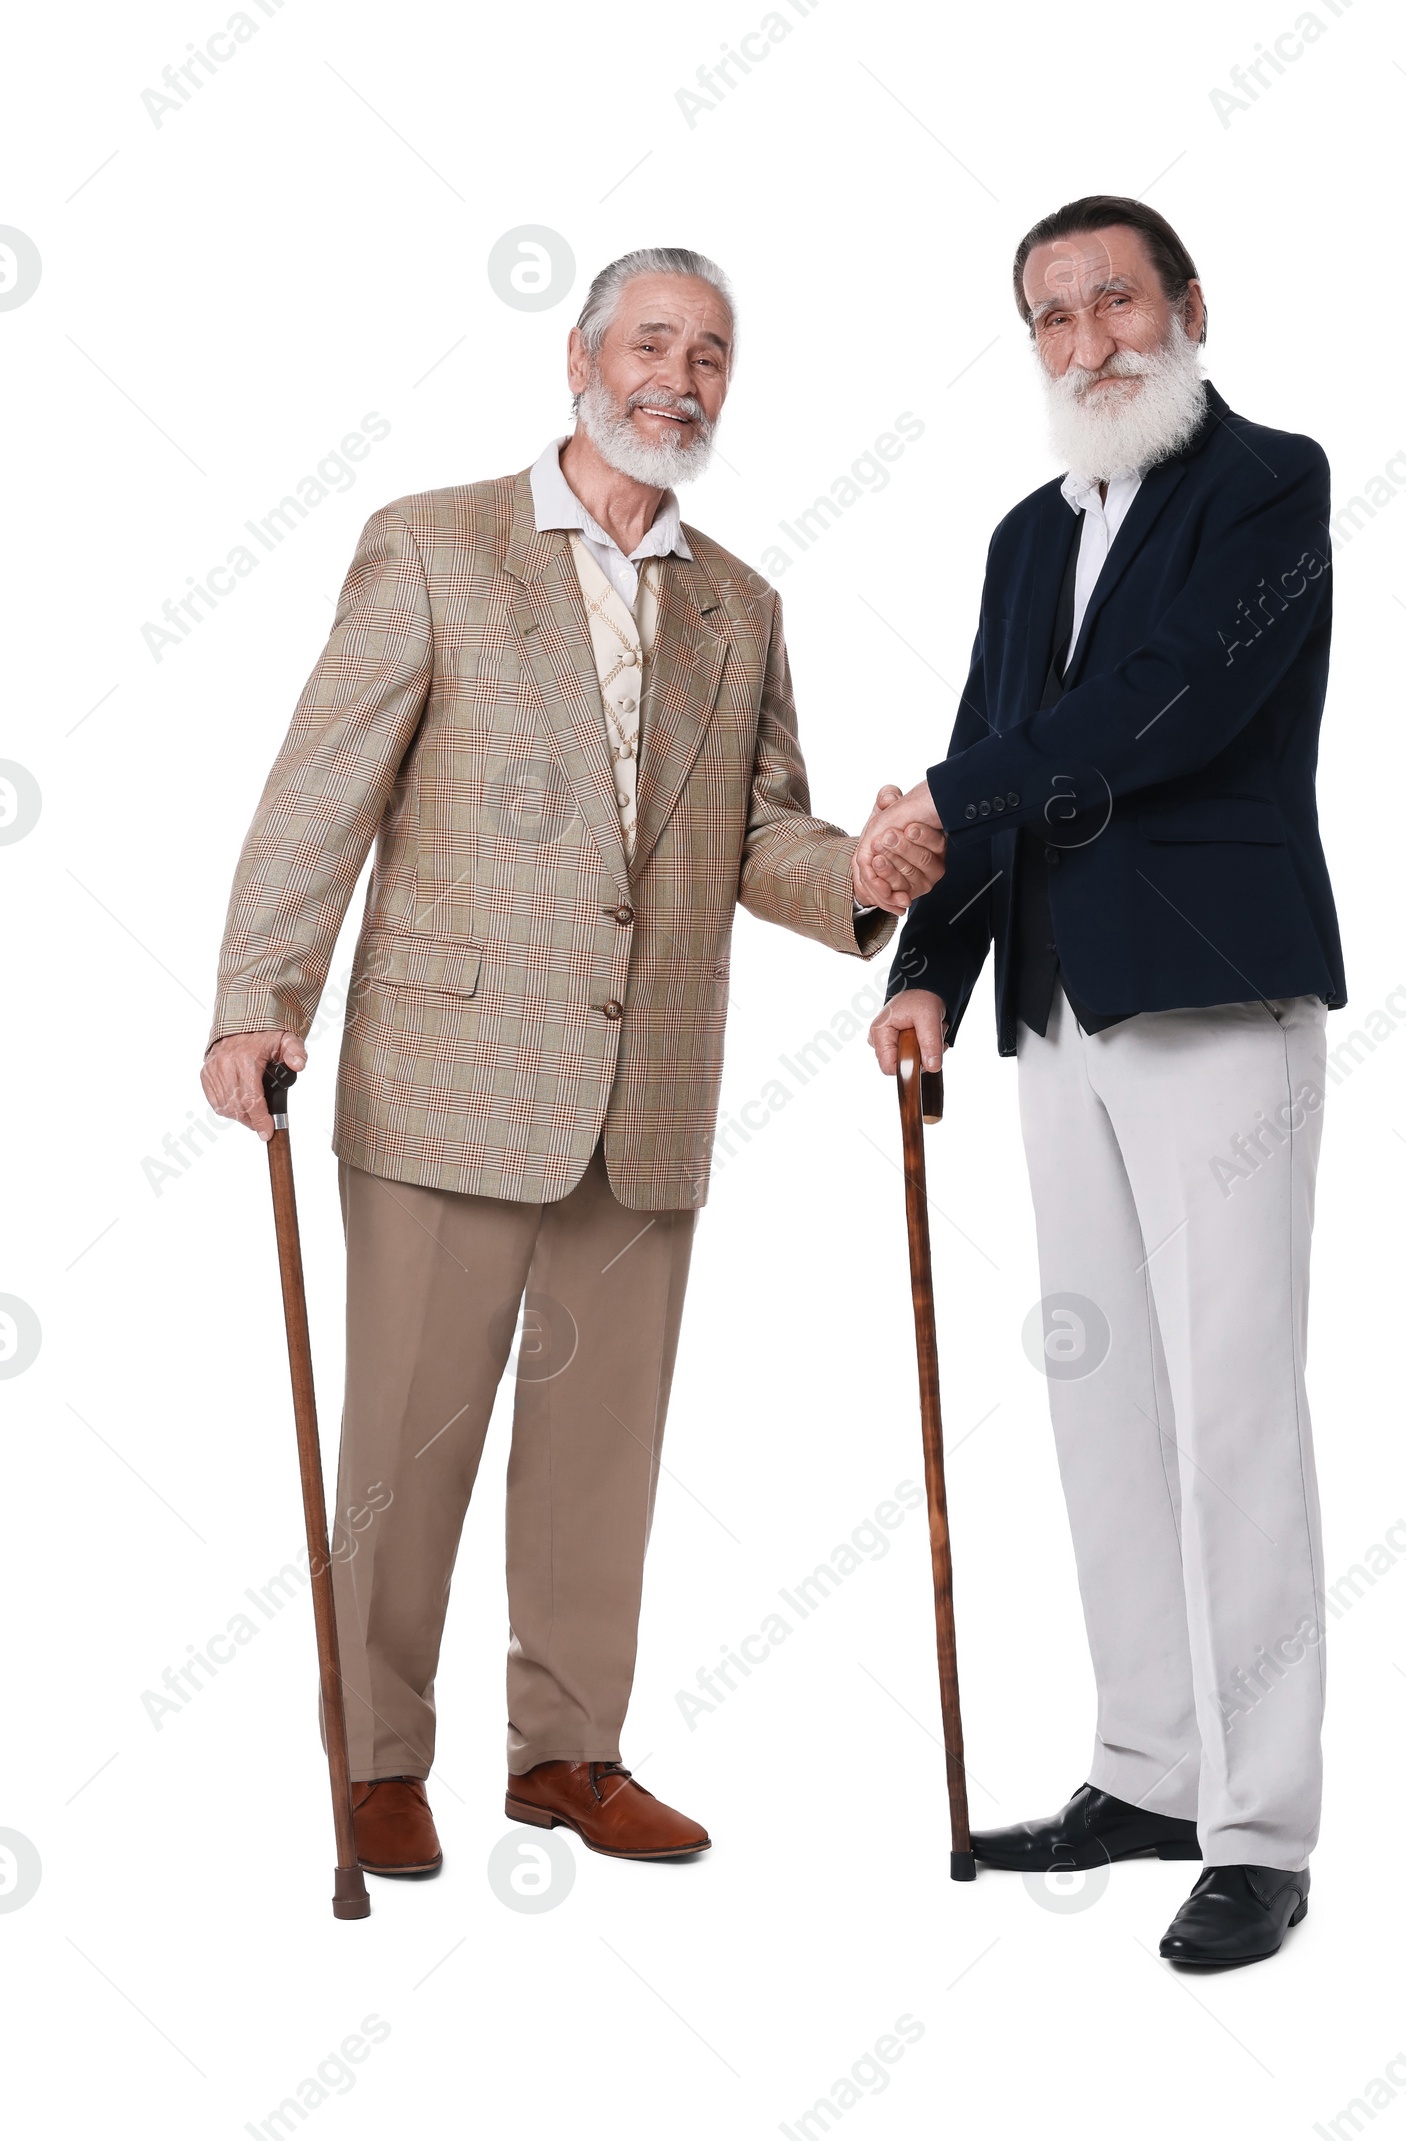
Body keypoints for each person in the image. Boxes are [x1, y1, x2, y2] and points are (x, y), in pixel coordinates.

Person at [203, 246, 943, 1878]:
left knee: (603, 1447)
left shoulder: (741, 603)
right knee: (405, 1437)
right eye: (655, 342)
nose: (681, 375)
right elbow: (322, 786)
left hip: (652, 1083)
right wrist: (261, 993)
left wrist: (864, 872)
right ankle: (380, 1758)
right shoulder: (436, 543)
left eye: (715, 354)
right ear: (582, 358)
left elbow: (760, 831)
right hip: (446, 1069)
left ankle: (569, 1751)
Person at [866, 197, 1344, 1966]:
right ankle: (1147, 1768)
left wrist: (935, 795)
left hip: (1216, 1000)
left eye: (1116, 300)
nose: (1090, 341)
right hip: (1058, 1019)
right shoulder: (1020, 534)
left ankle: (1263, 1822)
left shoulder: (1267, 483)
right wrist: (928, 973)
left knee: (1232, 1409)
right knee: (1099, 1403)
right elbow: (1003, 751)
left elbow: (1171, 709)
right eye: (1053, 316)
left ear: (1189, 304)